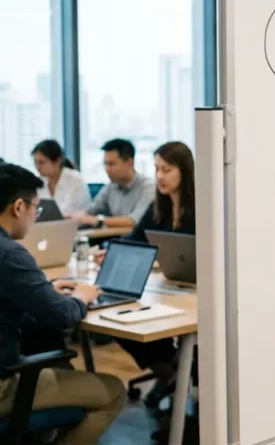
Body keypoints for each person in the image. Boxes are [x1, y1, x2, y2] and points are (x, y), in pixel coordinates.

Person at [0, 163, 126, 442]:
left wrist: (43, 292)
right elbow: (63, 316)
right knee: (113, 391)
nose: (36, 216)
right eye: (36, 208)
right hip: (3, 387)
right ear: (19, 207)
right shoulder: (10, 254)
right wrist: (81, 297)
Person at [94, 142, 195, 409]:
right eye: (157, 169)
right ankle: (169, 370)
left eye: (167, 169)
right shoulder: (157, 207)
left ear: (184, 172)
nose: (160, 176)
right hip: (166, 289)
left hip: (197, 293)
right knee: (118, 319)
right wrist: (112, 253)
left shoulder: (202, 208)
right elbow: (133, 240)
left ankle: (180, 371)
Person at [72, 139, 155, 229]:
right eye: (105, 164)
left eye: (111, 164)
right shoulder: (110, 187)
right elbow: (90, 211)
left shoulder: (148, 187)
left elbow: (135, 220)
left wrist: (98, 220)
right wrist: (71, 218)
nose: (107, 169)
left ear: (129, 163)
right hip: (114, 239)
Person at [32, 139, 91, 215]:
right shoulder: (40, 181)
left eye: (42, 162)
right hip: (51, 225)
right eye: (35, 162)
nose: (38, 167)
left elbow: (66, 212)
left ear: (57, 161)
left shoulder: (75, 179)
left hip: (76, 225)